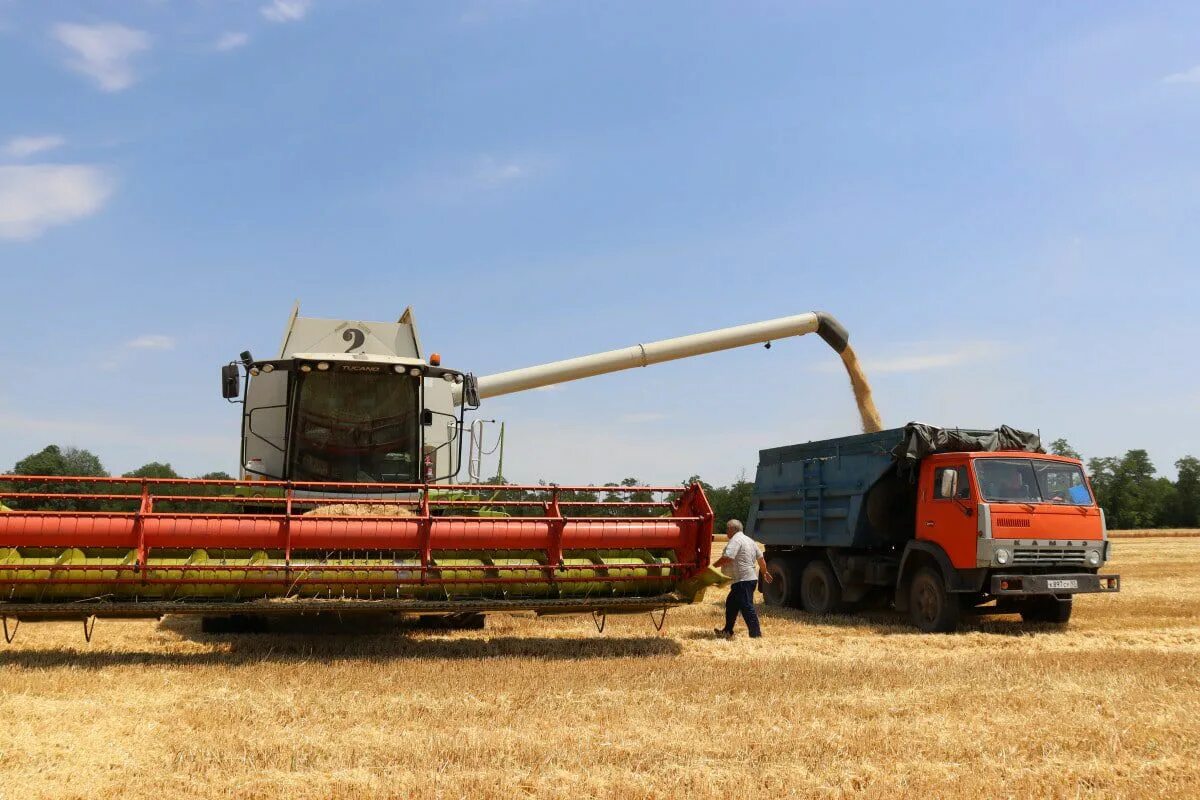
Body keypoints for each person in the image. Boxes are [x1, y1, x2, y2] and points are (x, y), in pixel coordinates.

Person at [713, 519, 772, 639]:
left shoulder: (735, 540)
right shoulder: (749, 540)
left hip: (742, 580)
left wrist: (712, 567)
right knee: (731, 604)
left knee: (747, 606)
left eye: (727, 529)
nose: (726, 532)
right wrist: (764, 572)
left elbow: (728, 557)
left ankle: (756, 635)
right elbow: (761, 559)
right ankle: (727, 631)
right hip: (747, 579)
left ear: (733, 529)